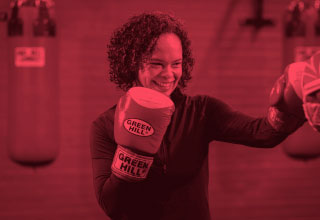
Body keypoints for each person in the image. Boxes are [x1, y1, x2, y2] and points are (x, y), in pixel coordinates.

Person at [90, 12, 316, 220]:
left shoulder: (201, 111)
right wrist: (132, 155)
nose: (169, 74)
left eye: (176, 64)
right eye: (157, 64)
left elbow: (263, 134)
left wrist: (296, 103)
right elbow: (112, 206)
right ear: (132, 63)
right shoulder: (106, 125)